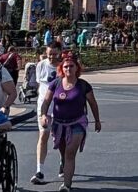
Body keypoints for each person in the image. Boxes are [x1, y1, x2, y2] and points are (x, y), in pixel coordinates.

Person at [39, 54, 102, 192]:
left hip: (77, 123)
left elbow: (93, 103)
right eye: (65, 66)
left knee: (70, 153)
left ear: (76, 68)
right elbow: (46, 102)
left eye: (71, 66)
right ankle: (63, 163)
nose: (68, 69)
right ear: (61, 68)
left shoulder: (83, 85)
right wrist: (44, 115)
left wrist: (97, 120)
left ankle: (66, 185)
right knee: (63, 152)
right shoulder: (55, 84)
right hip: (59, 124)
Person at [31, 42, 63, 185]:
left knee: (60, 137)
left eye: (55, 54)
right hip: (44, 107)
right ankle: (39, 170)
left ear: (60, 52)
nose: (51, 57)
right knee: (43, 135)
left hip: (61, 107)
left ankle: (63, 160)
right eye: (49, 54)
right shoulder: (41, 65)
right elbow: (40, 86)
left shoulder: (64, 66)